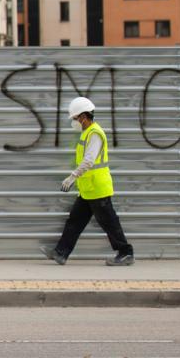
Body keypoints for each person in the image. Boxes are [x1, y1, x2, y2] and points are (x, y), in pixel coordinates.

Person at [43, 96, 135, 266]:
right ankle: (60, 253)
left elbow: (89, 161)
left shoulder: (95, 134)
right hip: (88, 189)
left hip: (98, 188)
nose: (74, 122)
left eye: (75, 118)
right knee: (75, 221)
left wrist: (72, 177)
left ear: (84, 117)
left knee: (109, 222)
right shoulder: (87, 132)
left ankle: (126, 253)